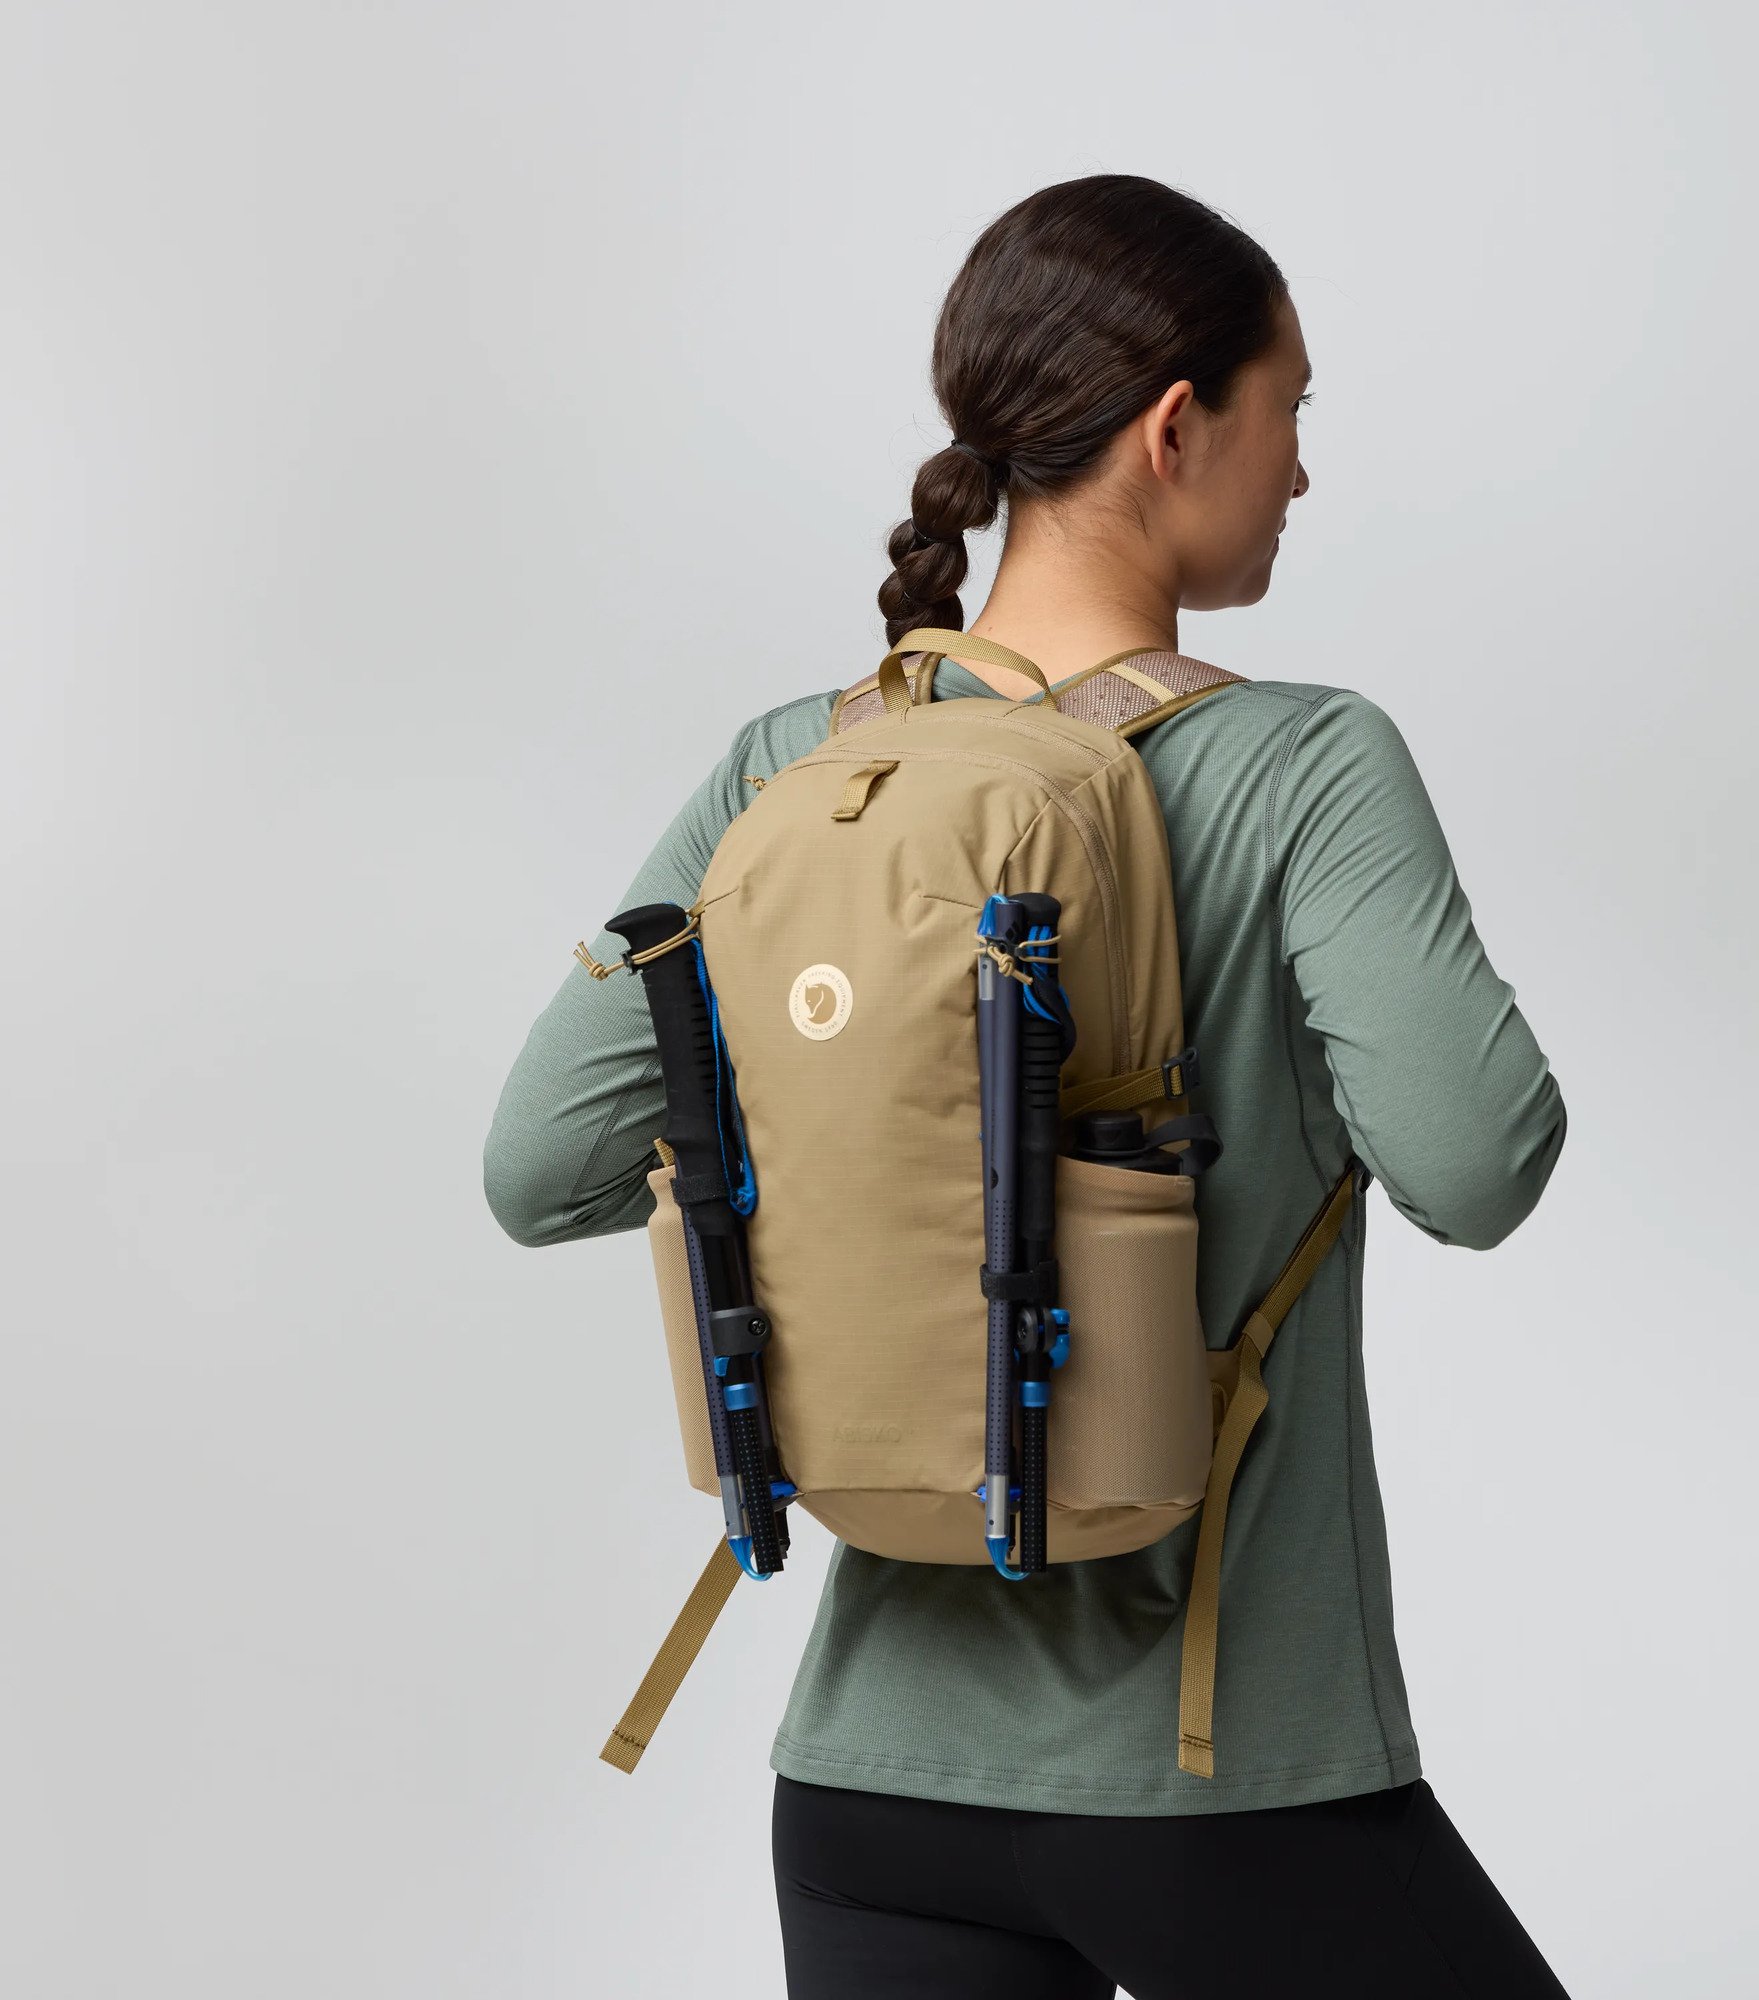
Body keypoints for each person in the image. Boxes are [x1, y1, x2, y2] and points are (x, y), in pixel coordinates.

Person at [485, 173, 1571, 1998]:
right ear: (1176, 426)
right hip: (1220, 1777)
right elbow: (1479, 1164)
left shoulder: (795, 769)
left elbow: (541, 1166)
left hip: (865, 1797)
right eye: (1291, 408)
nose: (1303, 467)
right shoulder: (1304, 764)